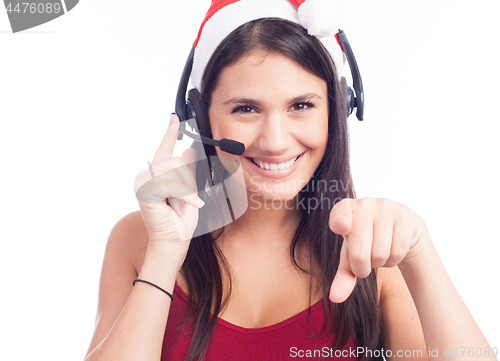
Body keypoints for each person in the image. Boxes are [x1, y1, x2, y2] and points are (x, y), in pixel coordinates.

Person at [83, 1, 497, 360]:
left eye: (301, 105)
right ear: (200, 115)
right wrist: (165, 253)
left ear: (338, 109)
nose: (276, 141)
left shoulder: (374, 255)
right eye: (246, 108)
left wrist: (420, 253)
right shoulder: (139, 240)